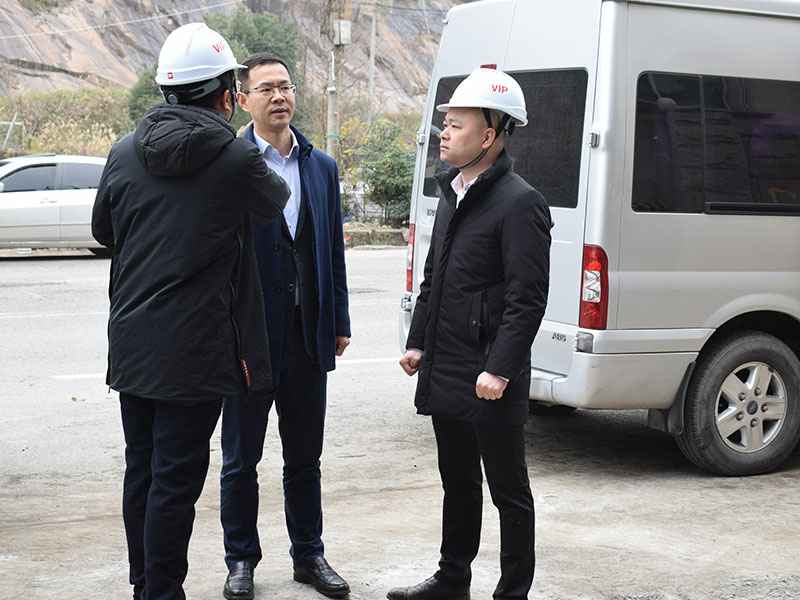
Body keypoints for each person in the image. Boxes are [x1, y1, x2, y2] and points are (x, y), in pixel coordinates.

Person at [91, 23, 289, 600]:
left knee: (142, 469)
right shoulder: (233, 157)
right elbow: (274, 202)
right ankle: (162, 592)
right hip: (196, 348)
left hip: (132, 342)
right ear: (227, 96)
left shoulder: (124, 151)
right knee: (175, 480)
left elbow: (103, 231)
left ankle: (144, 585)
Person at [391, 68, 552, 600]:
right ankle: (452, 579)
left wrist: (500, 370)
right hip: (448, 365)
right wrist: (418, 342)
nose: (444, 133)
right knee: (457, 482)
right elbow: (434, 276)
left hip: (490, 376)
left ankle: (512, 592)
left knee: (509, 490)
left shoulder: (520, 203)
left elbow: (527, 298)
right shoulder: (452, 192)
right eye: (446, 123)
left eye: (456, 125)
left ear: (488, 136)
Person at [219, 52, 351, 600]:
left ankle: (309, 555)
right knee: (240, 460)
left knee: (304, 457)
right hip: (247, 339)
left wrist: (338, 319)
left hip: (306, 334)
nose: (279, 97)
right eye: (266, 89)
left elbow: (332, 248)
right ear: (243, 99)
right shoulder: (229, 164)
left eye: (286, 86)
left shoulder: (320, 167)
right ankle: (240, 560)